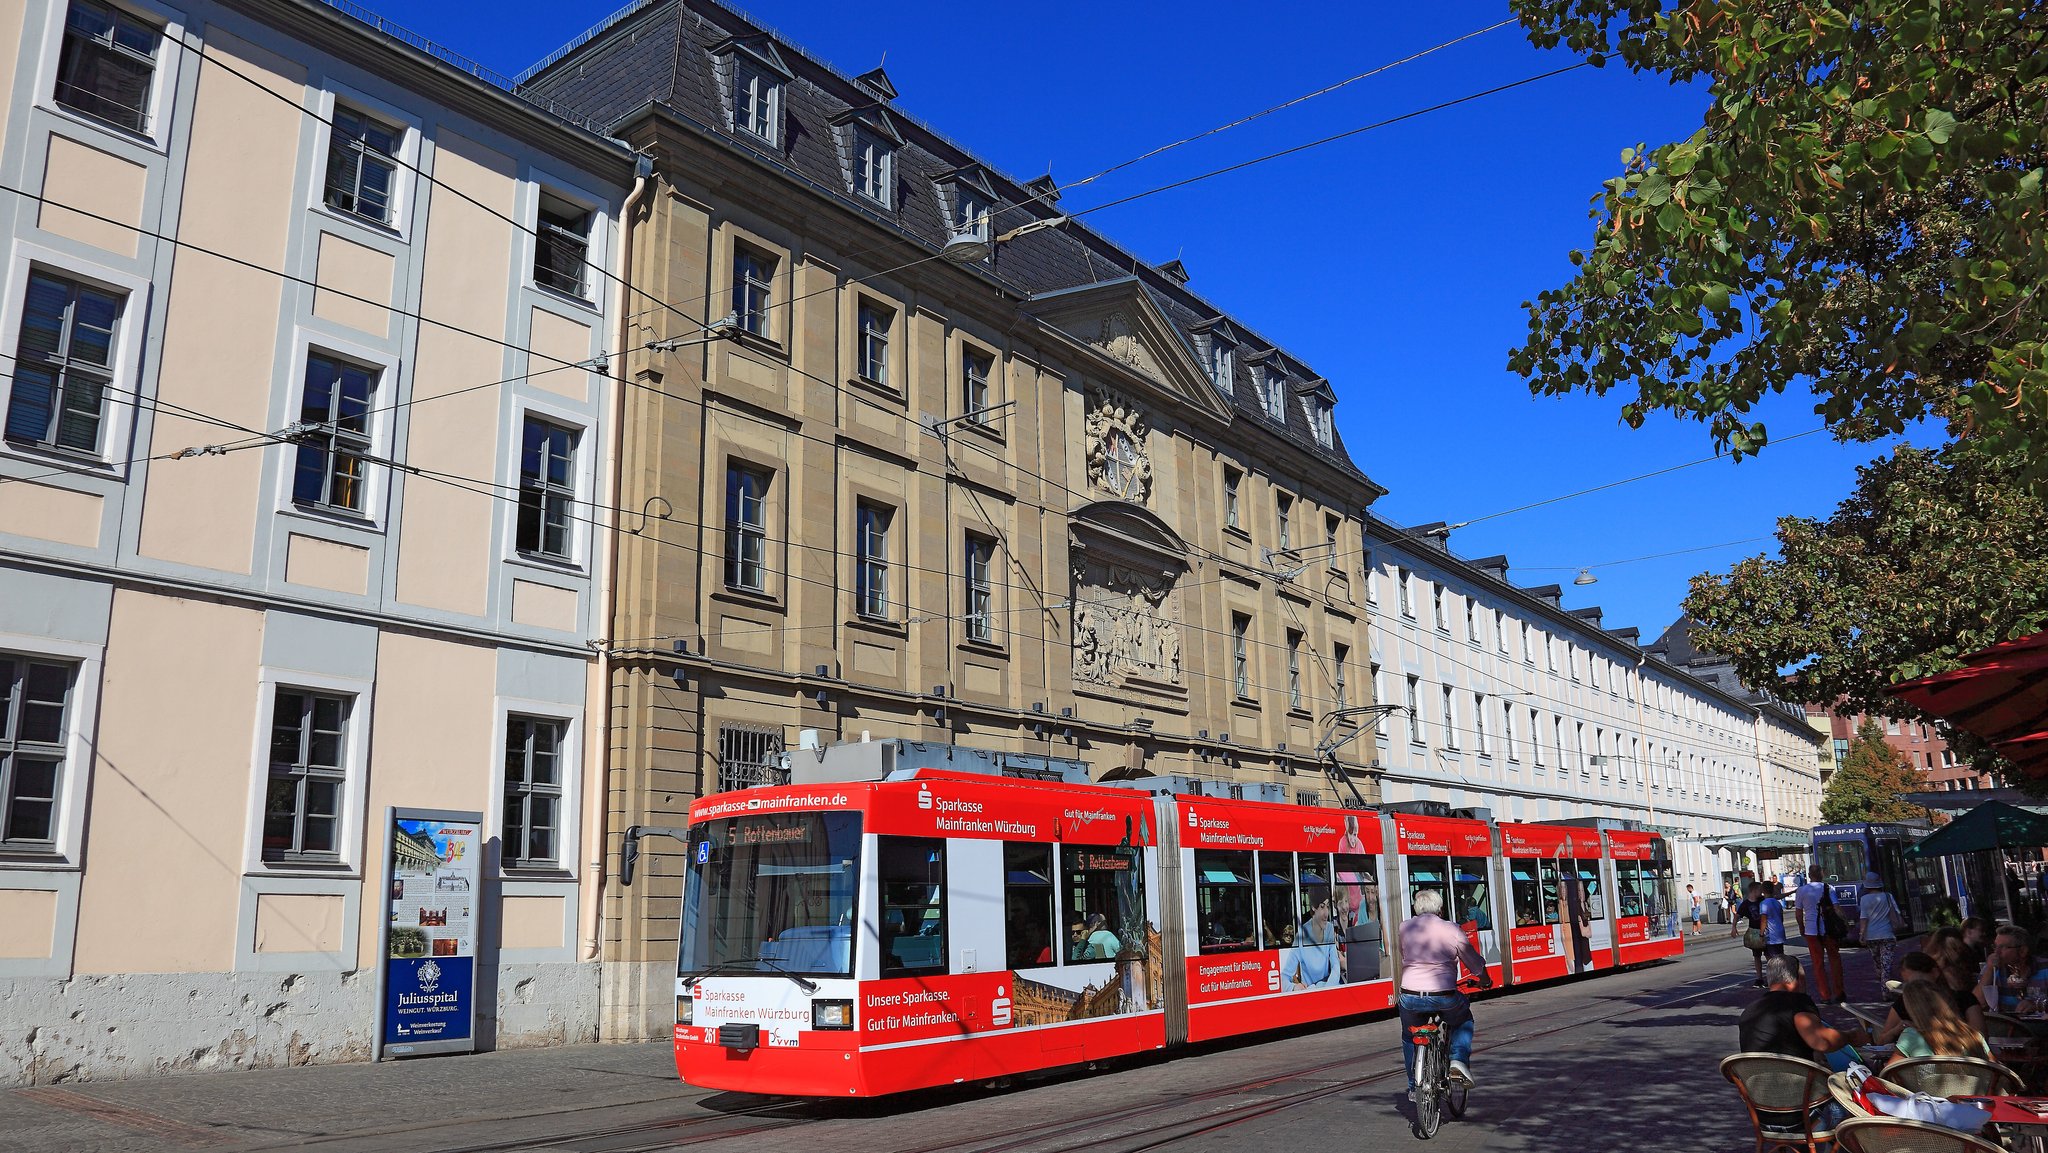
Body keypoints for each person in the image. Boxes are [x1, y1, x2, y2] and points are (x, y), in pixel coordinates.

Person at [1397, 888, 1493, 1096]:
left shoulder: (1405, 928)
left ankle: (1414, 1086)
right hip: (1444, 995)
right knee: (1463, 1019)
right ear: (1440, 910)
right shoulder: (1452, 929)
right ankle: (1457, 1060)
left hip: (1409, 996)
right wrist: (1485, 980)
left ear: (1416, 908)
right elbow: (1474, 962)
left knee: (1408, 1036)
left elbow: (1403, 954)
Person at [1740, 955, 1871, 1066]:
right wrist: (1850, 1036)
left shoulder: (1749, 1011)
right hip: (1798, 1086)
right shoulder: (1797, 1002)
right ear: (1799, 979)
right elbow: (1822, 1041)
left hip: (1756, 1090)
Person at [1890, 979, 1992, 1064]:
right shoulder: (1974, 1035)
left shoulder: (1911, 1036)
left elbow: (1891, 1075)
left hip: (1925, 1088)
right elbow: (1996, 1072)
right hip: (1975, 1088)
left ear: (1912, 1009)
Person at [1794, 874, 1847, 1003]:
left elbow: (1799, 912)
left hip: (1811, 931)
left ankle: (1825, 995)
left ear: (1809, 875)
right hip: (1829, 930)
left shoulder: (1801, 890)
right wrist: (1844, 922)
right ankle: (1839, 992)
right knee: (1835, 961)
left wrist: (1801, 927)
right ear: (1821, 875)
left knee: (1818, 964)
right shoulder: (1829, 888)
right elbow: (1836, 908)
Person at [1978, 924, 2048, 1014]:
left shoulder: (2045, 968)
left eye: (2003, 947)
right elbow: (1977, 1003)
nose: (1996, 952)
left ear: (2022, 951)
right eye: (1995, 946)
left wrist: (2037, 1005)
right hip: (2008, 1025)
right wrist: (1989, 970)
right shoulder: (1992, 969)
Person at [1858, 871, 1904, 987]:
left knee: (1878, 963)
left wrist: (1861, 934)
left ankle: (1883, 984)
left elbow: (1863, 918)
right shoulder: (1887, 896)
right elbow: (1896, 912)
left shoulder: (1864, 899)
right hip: (1887, 934)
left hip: (1871, 936)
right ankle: (1886, 988)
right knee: (1886, 965)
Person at [1286, 896, 1340, 989]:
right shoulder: (1301, 937)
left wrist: (1328, 988)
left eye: (1327, 907)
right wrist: (1296, 986)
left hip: (1324, 986)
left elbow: (1335, 964)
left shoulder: (1329, 930)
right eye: (1322, 907)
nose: (1326, 913)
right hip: (1310, 989)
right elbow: (1291, 974)